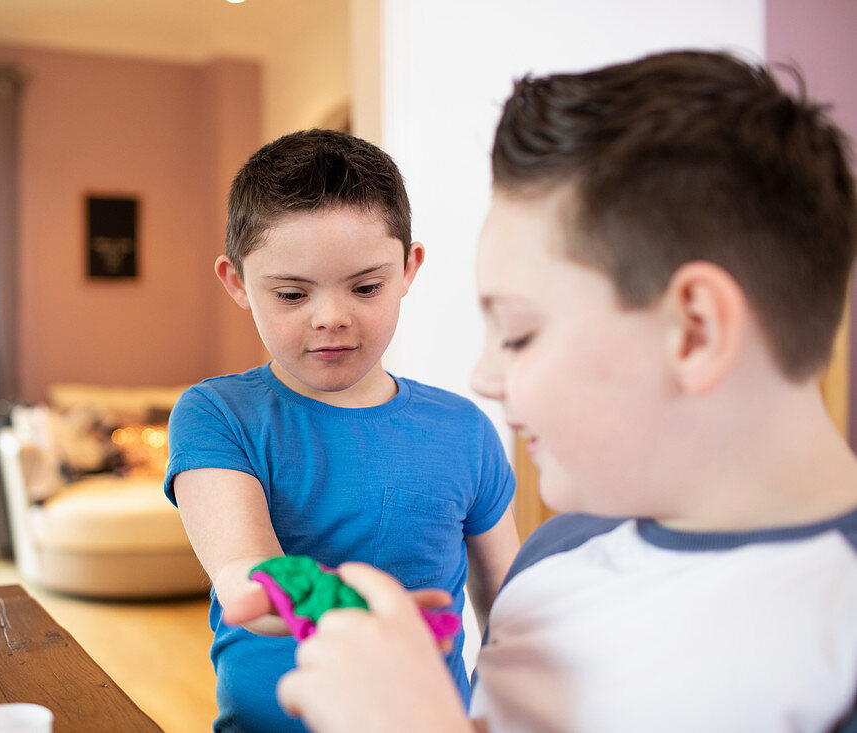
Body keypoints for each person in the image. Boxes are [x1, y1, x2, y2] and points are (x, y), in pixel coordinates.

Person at [232, 50, 857, 732]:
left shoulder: (832, 649)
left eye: (520, 332)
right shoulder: (551, 562)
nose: (483, 377)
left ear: (696, 330)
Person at [164, 128, 521, 732]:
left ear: (409, 269)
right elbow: (244, 576)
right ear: (236, 282)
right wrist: (369, 615)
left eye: (365, 287)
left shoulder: (464, 430)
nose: (331, 317)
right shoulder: (216, 414)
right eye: (292, 293)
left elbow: (511, 614)